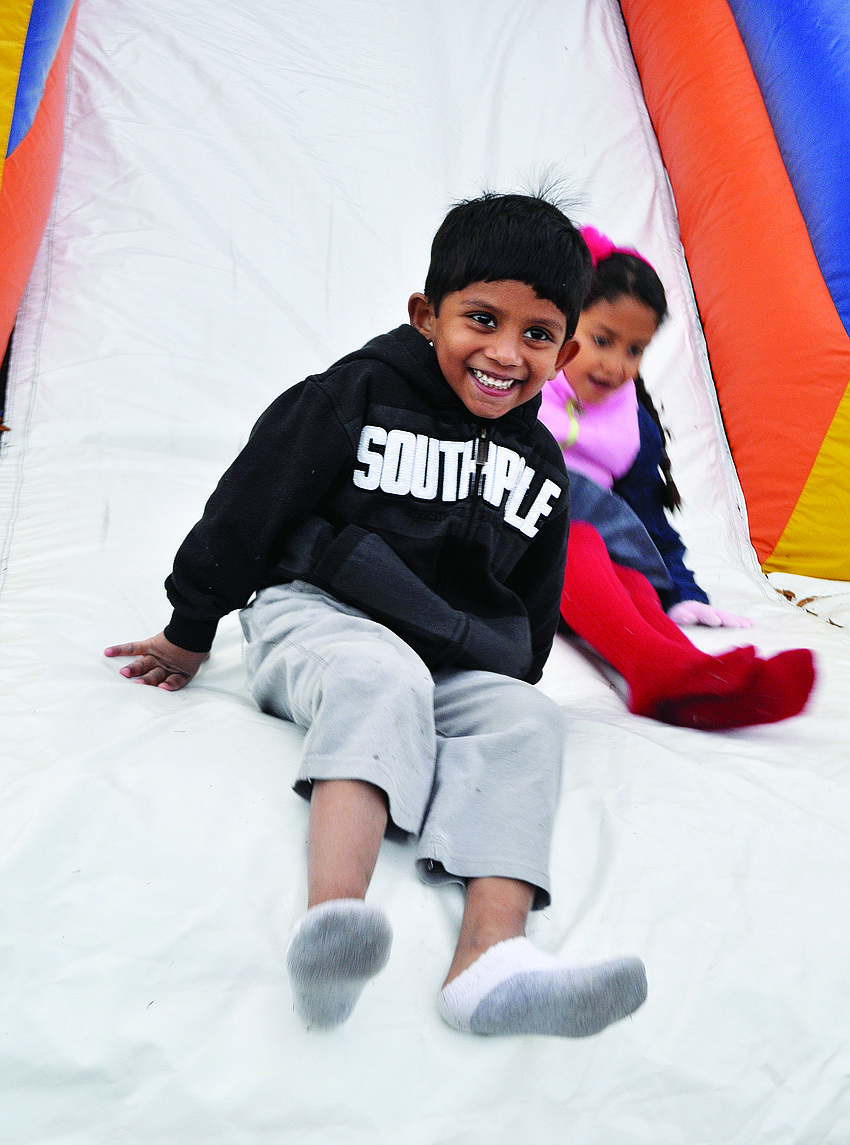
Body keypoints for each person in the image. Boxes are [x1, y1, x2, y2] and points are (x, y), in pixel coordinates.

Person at [105, 194, 647, 1037]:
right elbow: (250, 504)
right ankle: (333, 925)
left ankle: (491, 962)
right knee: (378, 672)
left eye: (538, 334)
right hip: (320, 612)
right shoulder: (356, 393)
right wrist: (189, 630)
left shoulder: (539, 461)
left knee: (529, 718)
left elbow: (535, 595)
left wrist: (509, 680)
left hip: (445, 651)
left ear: (565, 351)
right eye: (482, 319)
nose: (506, 353)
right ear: (428, 316)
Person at [537, 227, 816, 731]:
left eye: (635, 349)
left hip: (586, 572)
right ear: (563, 321)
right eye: (602, 340)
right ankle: (657, 671)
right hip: (518, 555)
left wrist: (681, 592)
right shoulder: (527, 386)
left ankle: (694, 674)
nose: (615, 364)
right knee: (577, 541)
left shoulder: (633, 424)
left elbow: (646, 521)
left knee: (633, 579)